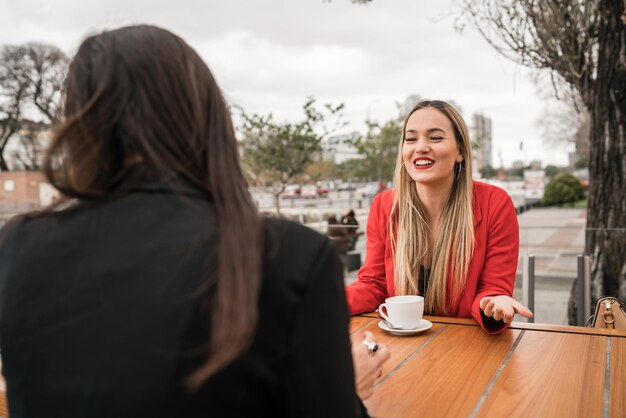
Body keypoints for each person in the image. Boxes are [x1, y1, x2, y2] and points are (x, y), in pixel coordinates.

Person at [0, 25, 389, 417]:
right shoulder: (290, 256)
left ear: (79, 124)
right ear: (207, 117)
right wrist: (343, 386)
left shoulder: (16, 248)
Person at [345, 99, 533, 334]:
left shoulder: (495, 203)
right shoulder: (384, 206)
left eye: (435, 137)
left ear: (460, 151)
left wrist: (495, 302)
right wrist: (324, 300)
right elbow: (374, 285)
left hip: (465, 345)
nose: (420, 147)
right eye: (411, 138)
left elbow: (491, 289)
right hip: (401, 348)